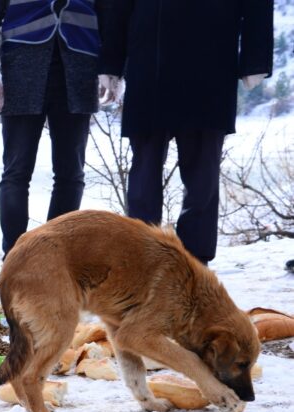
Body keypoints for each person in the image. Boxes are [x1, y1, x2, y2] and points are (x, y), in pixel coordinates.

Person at [100, 0, 273, 265]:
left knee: (202, 175)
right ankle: (141, 258)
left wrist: (255, 58)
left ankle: (195, 263)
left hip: (210, 63)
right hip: (149, 62)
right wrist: (110, 63)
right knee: (144, 175)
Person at [0, 0, 112, 269]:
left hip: (80, 67)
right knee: (16, 172)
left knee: (71, 174)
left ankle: (55, 263)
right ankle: (15, 263)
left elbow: (109, 12)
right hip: (22, 68)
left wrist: (112, 69)